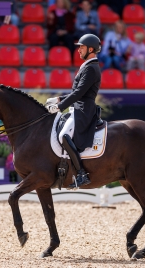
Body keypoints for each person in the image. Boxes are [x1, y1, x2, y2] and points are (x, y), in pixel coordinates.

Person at [45, 34, 101, 189]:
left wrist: (59, 107)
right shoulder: (88, 66)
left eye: (81, 47)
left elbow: (78, 94)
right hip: (77, 106)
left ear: (91, 49)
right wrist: (58, 99)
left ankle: (81, 174)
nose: (79, 50)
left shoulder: (91, 68)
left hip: (84, 109)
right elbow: (76, 92)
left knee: (63, 136)